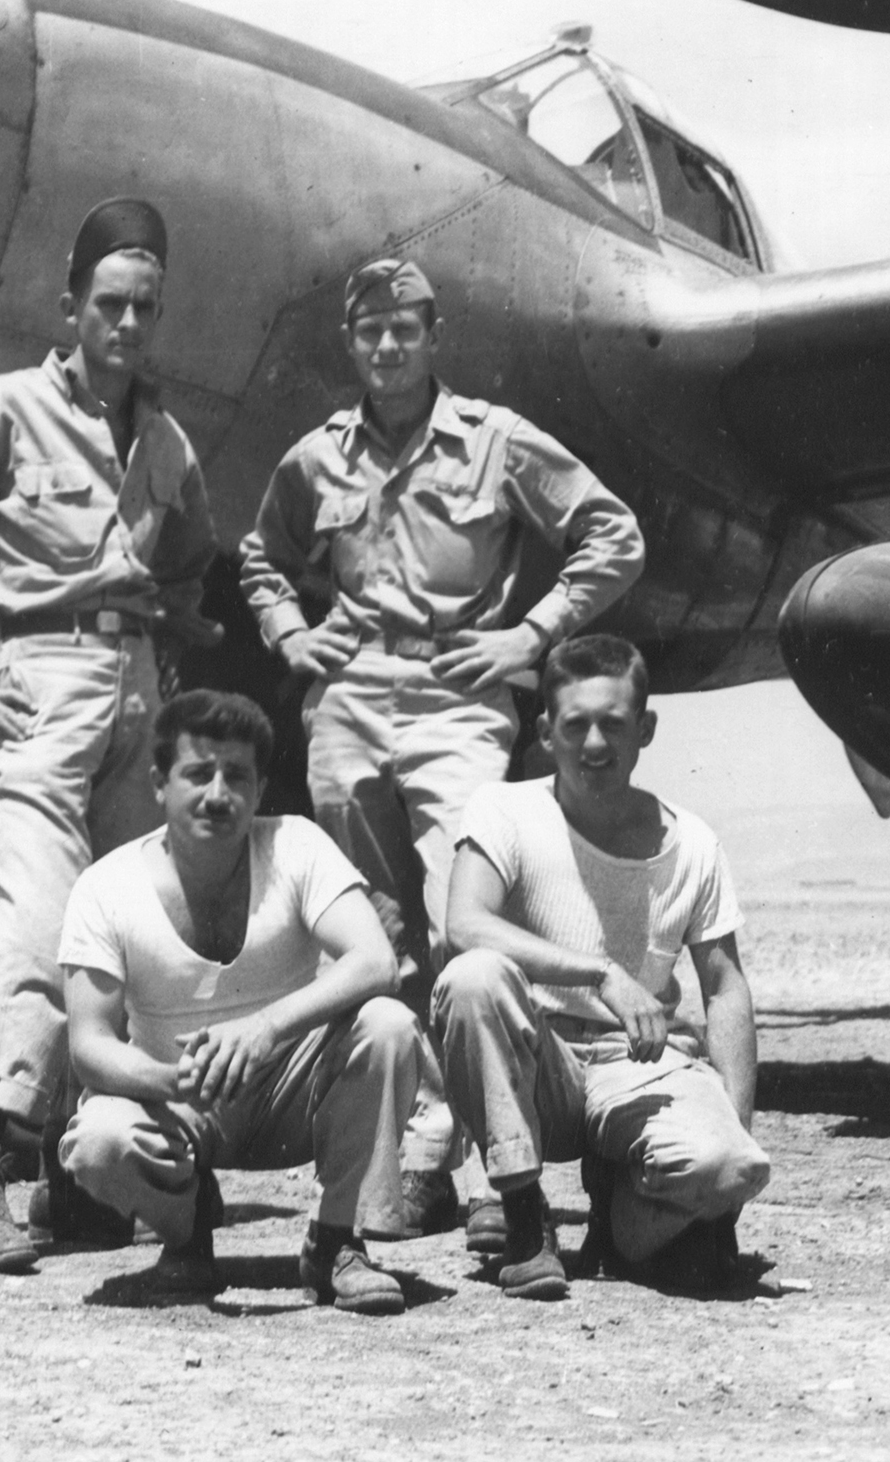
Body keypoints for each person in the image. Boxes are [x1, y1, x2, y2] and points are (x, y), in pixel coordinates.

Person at [238, 256, 645, 1236]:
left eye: (404, 329)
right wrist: (291, 635)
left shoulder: (495, 442)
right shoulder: (316, 456)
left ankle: (503, 1153)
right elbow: (262, 553)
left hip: (455, 701)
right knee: (374, 930)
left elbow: (610, 533)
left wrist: (529, 636)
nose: (386, 346)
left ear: (432, 337)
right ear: (351, 342)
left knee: (458, 914)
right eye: (368, 331)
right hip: (347, 705)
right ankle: (423, 1150)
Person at [0, 198, 220, 1273]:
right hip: (40, 681)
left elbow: (193, 563)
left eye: (143, 306)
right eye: (107, 303)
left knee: (131, 937)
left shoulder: (164, 441)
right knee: (35, 922)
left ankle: (79, 1180)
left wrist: (173, 660)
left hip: (137, 697)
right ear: (68, 308)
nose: (125, 322)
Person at [58, 690, 418, 1315]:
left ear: (259, 788)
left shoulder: (296, 846)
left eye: (237, 776)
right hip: (179, 1098)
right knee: (98, 1142)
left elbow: (374, 959)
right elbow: (89, 1044)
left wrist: (265, 1027)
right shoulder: (106, 887)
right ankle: (185, 1231)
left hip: (286, 1087)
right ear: (158, 783)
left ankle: (337, 1240)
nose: (218, 794)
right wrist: (172, 1079)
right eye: (198, 773)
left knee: (389, 1025)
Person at [434, 633, 770, 1301]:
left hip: (638, 1063)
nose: (594, 744)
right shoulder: (504, 810)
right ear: (544, 732)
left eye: (613, 724)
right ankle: (525, 1219)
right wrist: (599, 973)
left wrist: (729, 1144)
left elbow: (726, 989)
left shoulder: (693, 843)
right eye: (575, 724)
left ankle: (617, 1227)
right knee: (473, 978)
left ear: (644, 728)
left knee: (732, 1167)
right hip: (537, 1062)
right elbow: (465, 923)